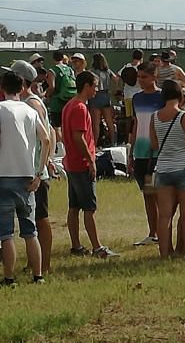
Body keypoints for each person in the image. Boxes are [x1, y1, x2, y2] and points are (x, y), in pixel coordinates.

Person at [0, 71, 51, 285]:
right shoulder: (30, 111)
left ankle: (9, 277)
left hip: (4, 175)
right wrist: (39, 172)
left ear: (2, 88)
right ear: (22, 89)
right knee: (30, 231)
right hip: (28, 177)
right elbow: (46, 139)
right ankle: (38, 275)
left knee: (6, 234)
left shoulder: (1, 109)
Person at [62, 71, 118, 258]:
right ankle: (97, 247)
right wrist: (91, 160)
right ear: (86, 86)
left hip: (71, 164)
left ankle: (76, 246)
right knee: (89, 208)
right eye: (94, 85)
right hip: (81, 164)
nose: (97, 89)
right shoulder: (80, 108)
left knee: (74, 206)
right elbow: (79, 137)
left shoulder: (69, 105)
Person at [11, 60, 55, 275]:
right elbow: (52, 134)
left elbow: (46, 137)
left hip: (35, 173)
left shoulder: (31, 104)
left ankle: (44, 265)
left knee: (40, 219)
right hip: (34, 169)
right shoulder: (30, 102)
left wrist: (43, 165)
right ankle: (34, 262)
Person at [148, 80, 185, 258]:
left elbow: (154, 145)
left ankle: (164, 254)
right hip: (183, 166)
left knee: (164, 216)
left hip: (163, 168)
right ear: (180, 96)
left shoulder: (154, 117)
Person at [129, 62, 164, 246]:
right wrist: (130, 152)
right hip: (140, 153)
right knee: (147, 194)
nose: (140, 81)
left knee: (156, 194)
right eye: (139, 77)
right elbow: (135, 124)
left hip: (155, 153)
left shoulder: (162, 97)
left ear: (154, 77)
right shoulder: (136, 98)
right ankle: (153, 233)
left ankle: (160, 231)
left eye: (144, 77)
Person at [45, 50, 76, 149]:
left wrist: (47, 95)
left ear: (53, 58)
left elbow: (52, 87)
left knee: (56, 126)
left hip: (57, 101)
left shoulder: (52, 70)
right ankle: (70, 145)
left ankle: (61, 147)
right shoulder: (70, 69)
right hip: (69, 100)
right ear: (63, 58)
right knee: (67, 125)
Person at [88, 53, 119, 147]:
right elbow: (116, 79)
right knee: (109, 121)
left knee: (95, 123)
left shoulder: (91, 72)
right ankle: (114, 142)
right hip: (106, 96)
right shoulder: (107, 71)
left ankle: (95, 144)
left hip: (95, 96)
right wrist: (113, 90)